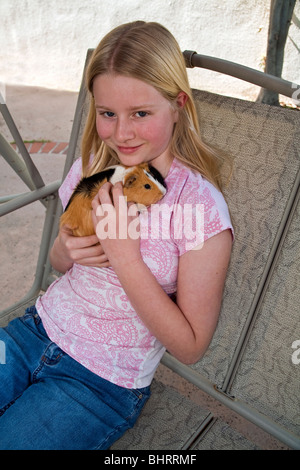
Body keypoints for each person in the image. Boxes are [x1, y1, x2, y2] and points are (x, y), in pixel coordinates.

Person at [0, 21, 233, 450]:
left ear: (178, 104)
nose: (121, 133)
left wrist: (126, 256)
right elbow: (59, 263)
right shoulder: (92, 166)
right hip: (35, 331)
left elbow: (191, 346)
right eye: (108, 114)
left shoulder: (198, 209)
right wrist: (65, 248)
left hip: (99, 382)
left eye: (141, 113)